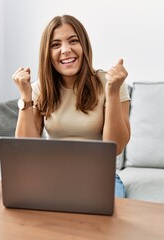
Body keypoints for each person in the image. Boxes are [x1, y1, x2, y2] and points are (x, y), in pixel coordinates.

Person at [12, 15, 130, 198]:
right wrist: (25, 97)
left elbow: (116, 147)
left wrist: (112, 92)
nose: (65, 50)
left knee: (105, 224)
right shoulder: (39, 89)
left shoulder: (111, 83)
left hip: (100, 177)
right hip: (51, 175)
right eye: (56, 45)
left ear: (84, 46)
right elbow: (26, 149)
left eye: (73, 41)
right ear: (47, 53)